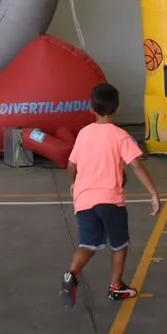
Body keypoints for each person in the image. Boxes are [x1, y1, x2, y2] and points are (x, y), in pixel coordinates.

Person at [60, 82, 160, 308]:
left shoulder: (84, 133)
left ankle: (71, 274)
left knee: (88, 245)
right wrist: (153, 193)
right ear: (118, 108)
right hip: (110, 201)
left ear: (91, 108)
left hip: (83, 200)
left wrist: (74, 182)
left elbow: (71, 164)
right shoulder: (120, 135)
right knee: (119, 244)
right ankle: (116, 286)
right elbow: (136, 165)